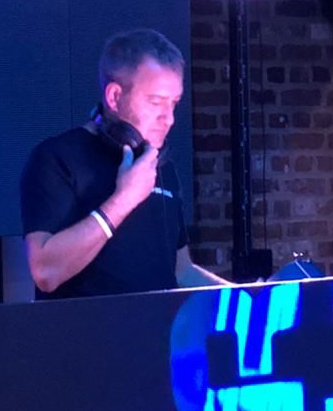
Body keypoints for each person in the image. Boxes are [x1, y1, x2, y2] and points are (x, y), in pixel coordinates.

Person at [20, 28, 226, 299]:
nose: (169, 118)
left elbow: (181, 270)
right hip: (89, 327)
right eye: (156, 102)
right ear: (114, 97)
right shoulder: (56, 158)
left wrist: (247, 295)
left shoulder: (159, 164)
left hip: (157, 326)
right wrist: (124, 199)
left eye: (174, 103)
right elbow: (46, 272)